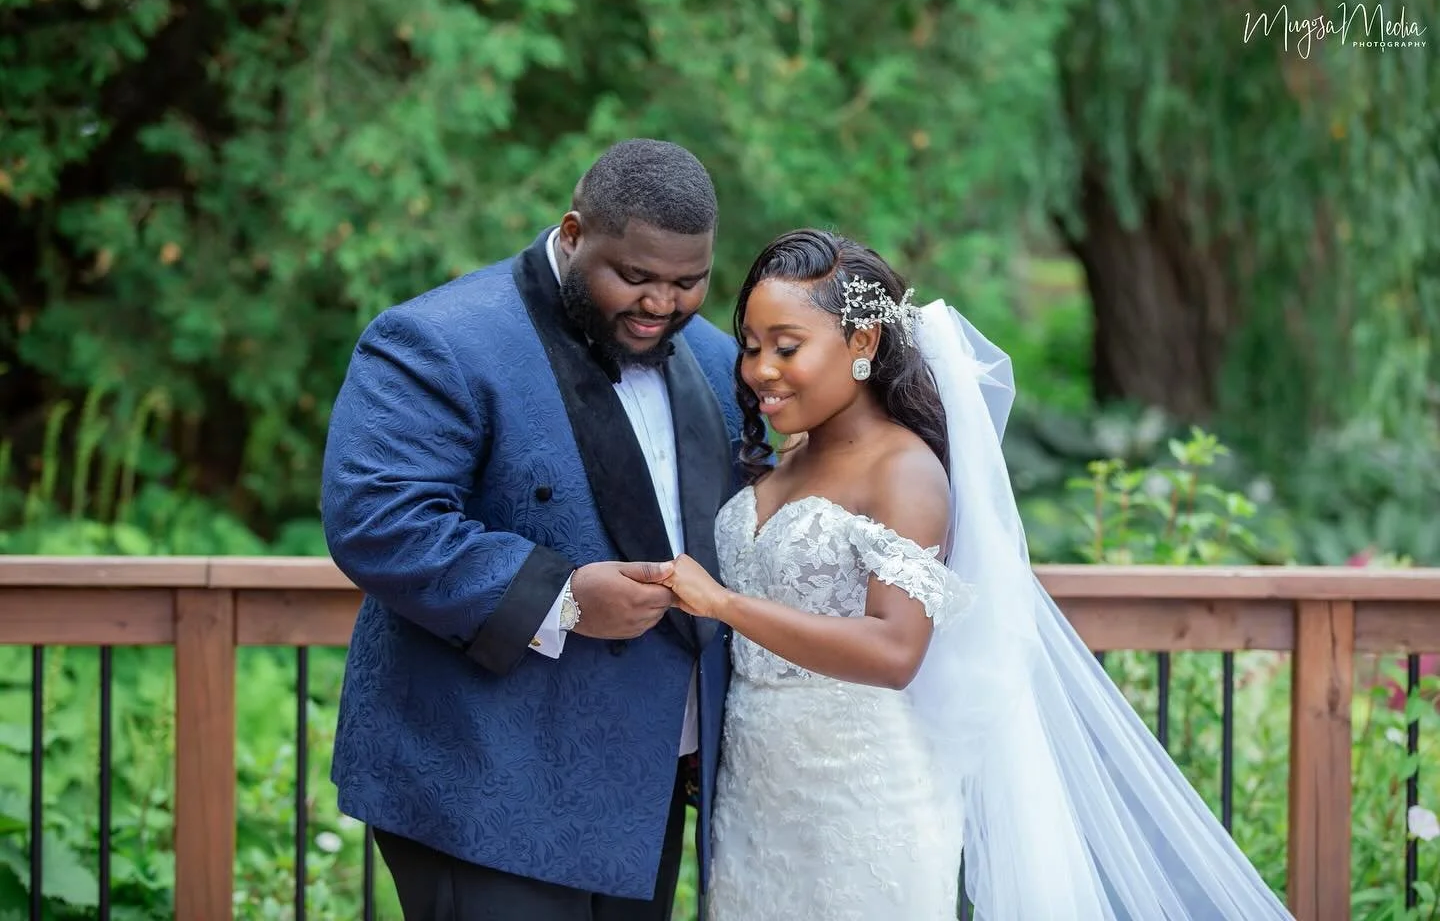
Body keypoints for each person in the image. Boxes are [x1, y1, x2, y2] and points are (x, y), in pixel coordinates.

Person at [661, 228, 1296, 919]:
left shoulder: (904, 472)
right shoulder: (788, 458)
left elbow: (895, 650)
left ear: (863, 341)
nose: (760, 370)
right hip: (754, 797)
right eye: (752, 347)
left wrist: (722, 604)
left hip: (859, 801)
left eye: (787, 347)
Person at [320, 139, 743, 920]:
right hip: (484, 780)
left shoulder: (721, 362)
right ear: (574, 234)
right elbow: (379, 519)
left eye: (688, 282)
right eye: (636, 277)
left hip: (648, 783)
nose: (662, 304)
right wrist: (564, 597)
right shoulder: (436, 339)